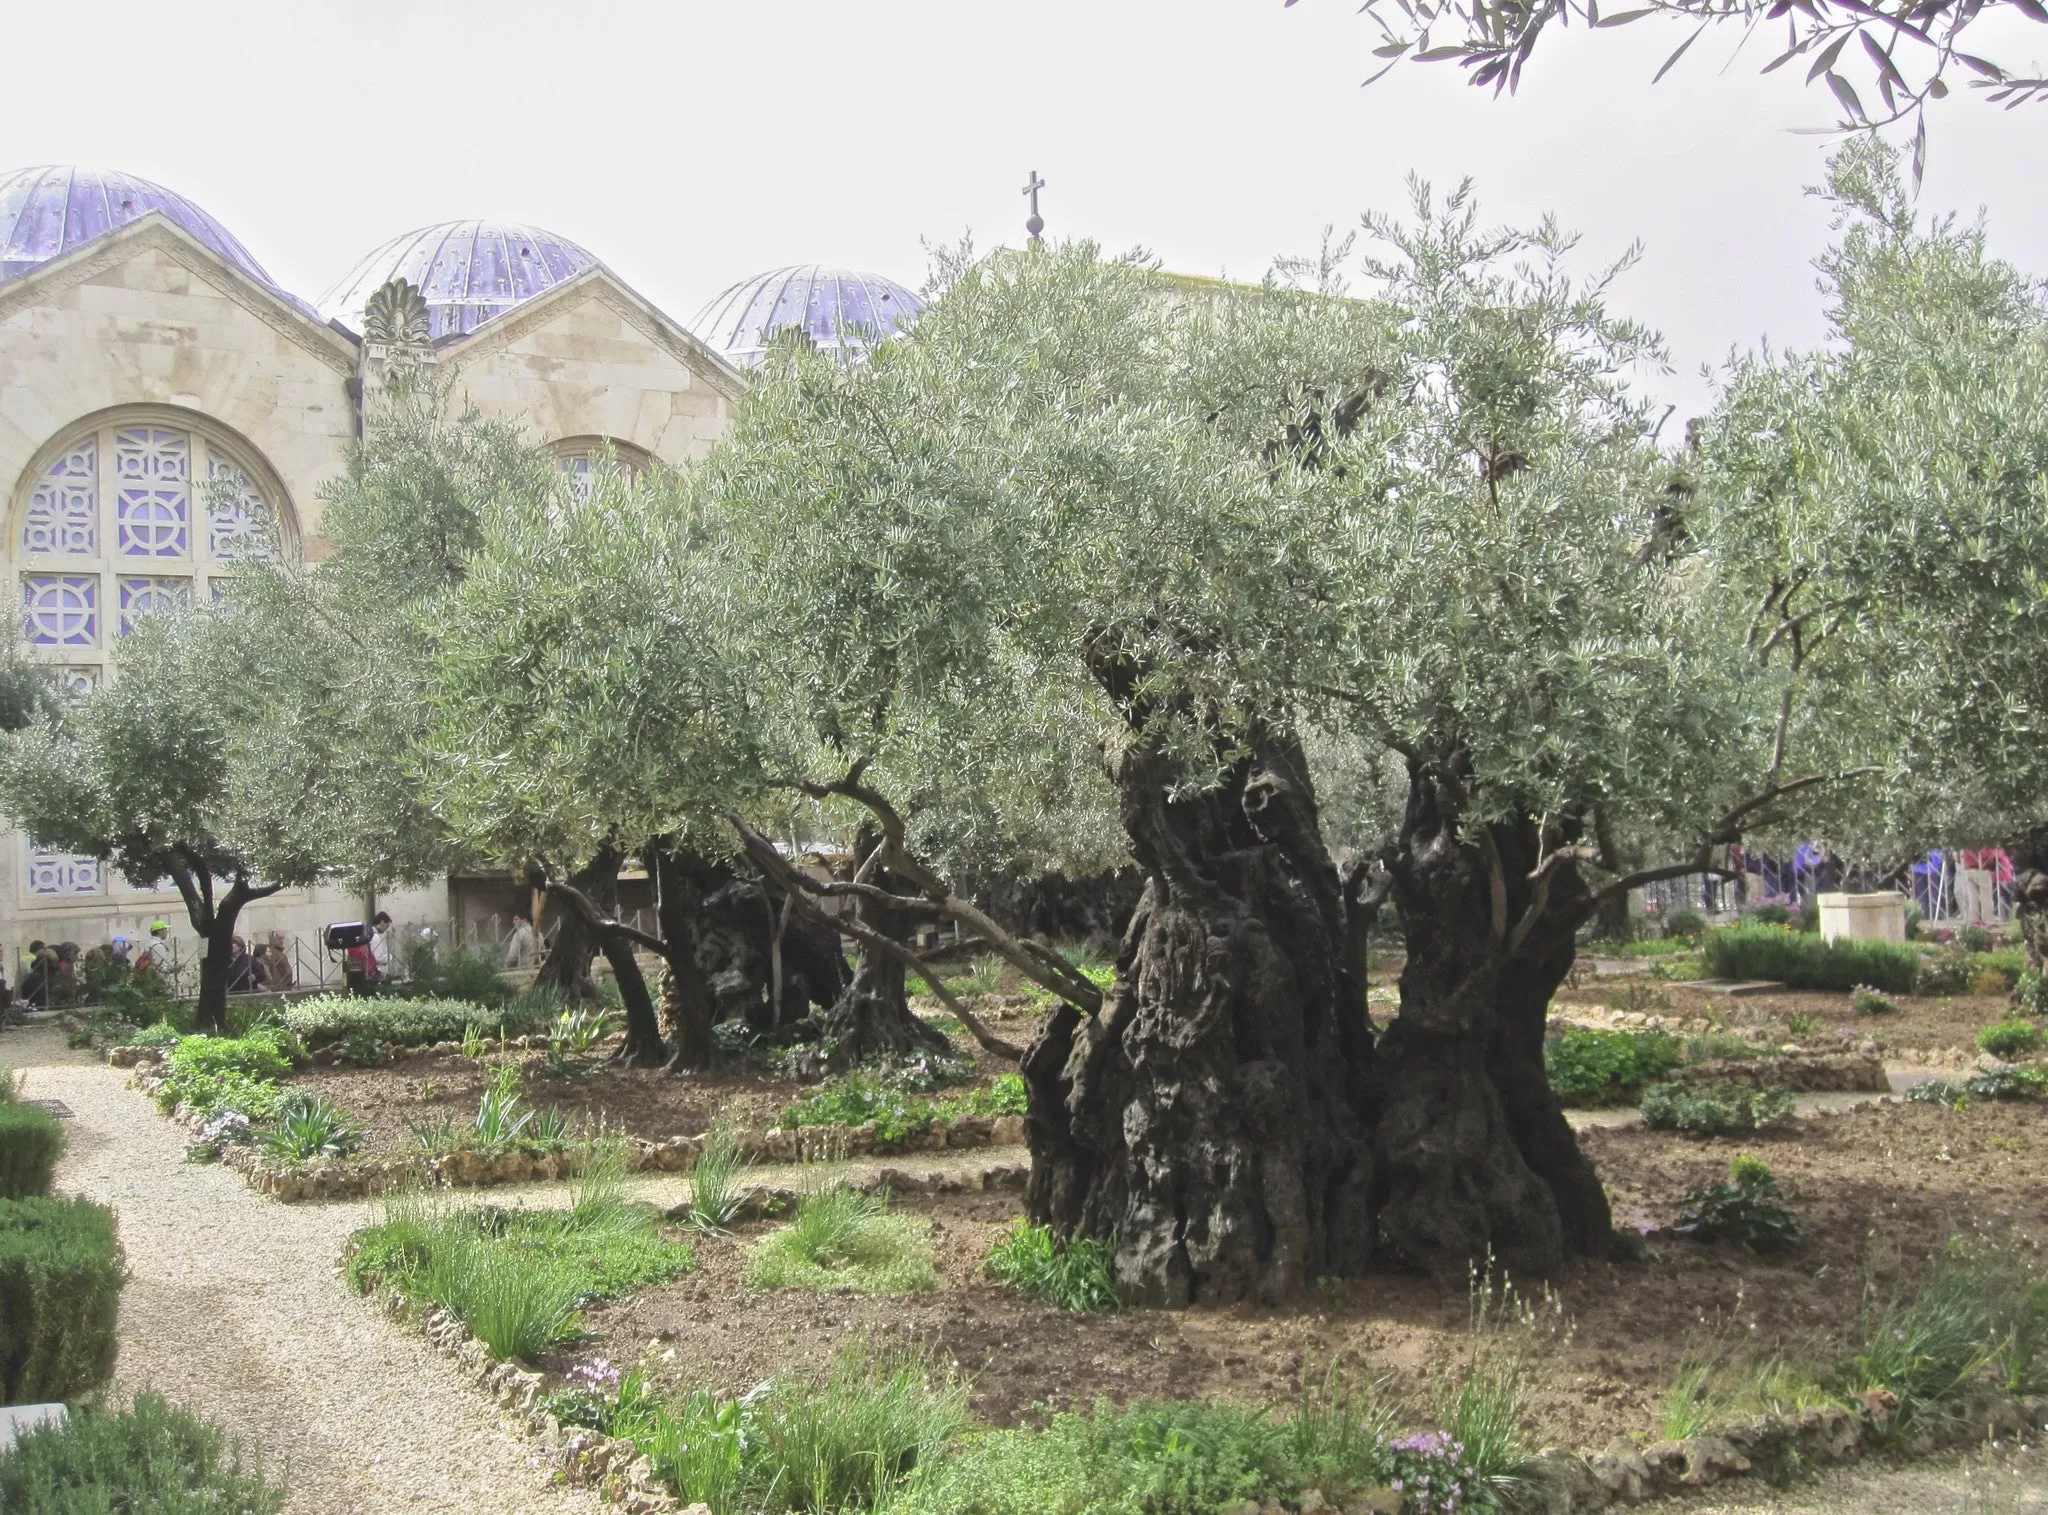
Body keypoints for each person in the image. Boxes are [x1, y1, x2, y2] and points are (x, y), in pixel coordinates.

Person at [370, 912, 399, 981]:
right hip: (372, 972)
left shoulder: (369, 933)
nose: (386, 929)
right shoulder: (375, 937)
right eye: (387, 925)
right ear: (382, 922)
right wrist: (389, 957)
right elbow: (376, 958)